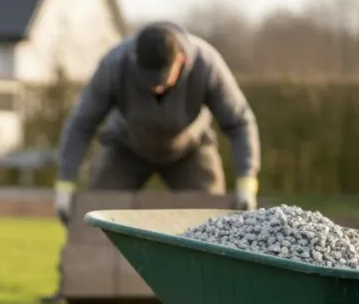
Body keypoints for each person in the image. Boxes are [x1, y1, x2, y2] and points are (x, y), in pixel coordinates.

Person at [53, 22, 262, 225]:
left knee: (213, 220)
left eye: (162, 79)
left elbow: (240, 122)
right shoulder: (114, 64)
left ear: (180, 60)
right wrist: (65, 182)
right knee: (97, 212)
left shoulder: (206, 64)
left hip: (190, 148)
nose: (156, 88)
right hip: (127, 147)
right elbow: (82, 123)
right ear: (134, 59)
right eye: (148, 79)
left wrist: (246, 180)